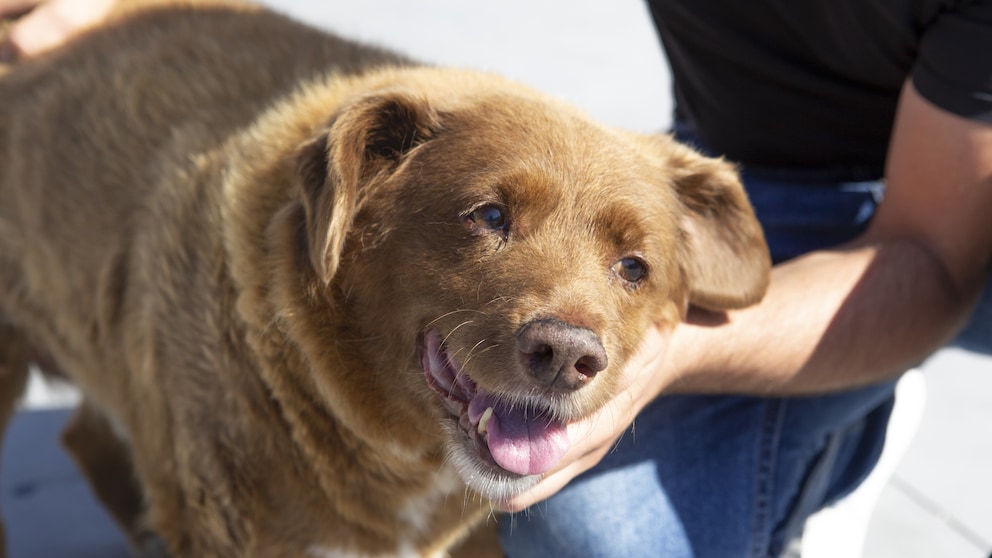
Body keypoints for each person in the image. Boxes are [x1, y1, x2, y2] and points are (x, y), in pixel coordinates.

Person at [3, 1, 991, 556]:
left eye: (631, 268)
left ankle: (839, 407)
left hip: (949, 219)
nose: (564, 333)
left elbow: (933, 258)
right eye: (490, 221)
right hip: (780, 153)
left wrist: (666, 356)